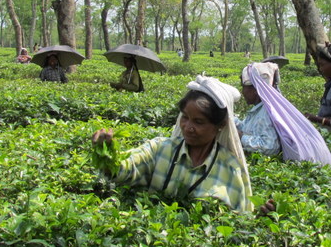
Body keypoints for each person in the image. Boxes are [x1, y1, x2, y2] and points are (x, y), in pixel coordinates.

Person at [92, 75, 254, 212]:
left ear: (220, 125)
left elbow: (241, 219)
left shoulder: (230, 168)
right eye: (185, 117)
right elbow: (125, 170)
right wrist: (106, 154)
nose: (188, 127)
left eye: (198, 122)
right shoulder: (160, 149)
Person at [235, 63, 282, 156]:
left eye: (244, 87)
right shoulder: (259, 109)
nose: (242, 92)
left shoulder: (266, 113)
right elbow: (246, 128)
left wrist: (241, 137)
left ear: (255, 90)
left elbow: (269, 147)